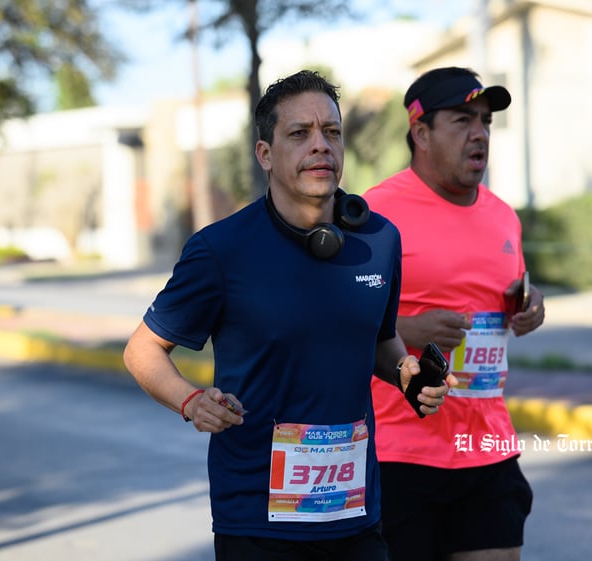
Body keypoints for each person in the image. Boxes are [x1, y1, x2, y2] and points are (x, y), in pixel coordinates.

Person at [123, 69, 452, 561]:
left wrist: (406, 373)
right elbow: (142, 350)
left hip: (355, 511)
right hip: (258, 522)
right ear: (265, 155)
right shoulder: (221, 250)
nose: (320, 146)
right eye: (300, 134)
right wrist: (191, 401)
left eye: (331, 132)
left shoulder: (379, 241)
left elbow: (381, 342)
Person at [363, 67, 546, 561]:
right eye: (463, 120)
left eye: (485, 121)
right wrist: (408, 330)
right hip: (399, 452)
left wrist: (528, 306)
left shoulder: (503, 214)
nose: (480, 133)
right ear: (420, 132)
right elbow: (328, 323)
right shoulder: (374, 216)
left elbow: (507, 297)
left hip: (485, 445)